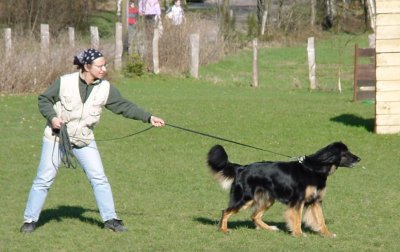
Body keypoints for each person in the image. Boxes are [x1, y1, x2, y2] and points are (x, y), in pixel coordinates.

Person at [20, 48, 165, 233]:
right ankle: (30, 221)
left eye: (105, 65)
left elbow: (123, 106)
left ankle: (111, 219)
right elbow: (44, 100)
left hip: (84, 140)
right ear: (87, 67)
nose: (104, 69)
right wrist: (53, 118)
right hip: (57, 138)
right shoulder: (64, 82)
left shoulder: (105, 87)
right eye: (100, 66)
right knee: (44, 179)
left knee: (99, 178)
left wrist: (149, 117)